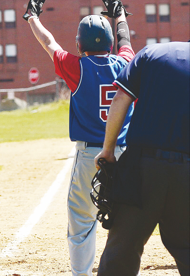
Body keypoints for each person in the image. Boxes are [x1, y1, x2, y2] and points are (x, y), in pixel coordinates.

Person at [23, 0, 135, 275]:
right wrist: (118, 13)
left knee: (82, 222)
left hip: (90, 157)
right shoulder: (126, 63)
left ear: (79, 44)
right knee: (127, 221)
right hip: (126, 155)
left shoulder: (77, 67)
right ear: (109, 43)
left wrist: (32, 18)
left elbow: (48, 42)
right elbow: (125, 37)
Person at [94, 41, 190, 275]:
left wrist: (107, 150)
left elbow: (120, 100)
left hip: (142, 168)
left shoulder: (151, 53)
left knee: (121, 252)